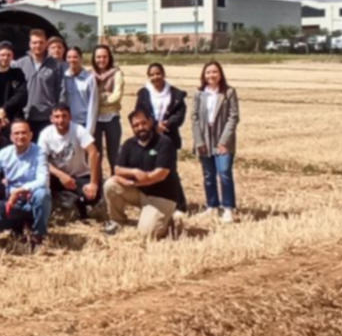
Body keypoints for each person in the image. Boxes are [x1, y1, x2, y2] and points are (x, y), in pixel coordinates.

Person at [103, 108, 181, 240]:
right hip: (139, 192)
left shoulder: (164, 143)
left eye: (143, 123)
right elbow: (117, 169)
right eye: (136, 125)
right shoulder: (129, 144)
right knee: (110, 185)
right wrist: (134, 172)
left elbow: (160, 174)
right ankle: (118, 221)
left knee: (146, 234)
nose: (140, 128)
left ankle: (171, 220)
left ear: (151, 122)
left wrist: (139, 180)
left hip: (162, 196)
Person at [135, 62, 188, 211]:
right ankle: (153, 201)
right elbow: (139, 113)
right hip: (150, 137)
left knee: (170, 170)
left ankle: (179, 204)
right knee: (150, 169)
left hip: (169, 137)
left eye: (158, 73)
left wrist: (167, 124)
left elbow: (180, 114)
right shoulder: (143, 93)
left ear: (163, 74)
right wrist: (153, 126)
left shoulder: (176, 93)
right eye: (152, 74)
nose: (155, 77)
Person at [192, 61, 240, 223]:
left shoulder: (229, 92)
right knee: (208, 175)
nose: (211, 75)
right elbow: (195, 118)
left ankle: (228, 207)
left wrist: (224, 141)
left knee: (224, 172)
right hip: (205, 137)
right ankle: (212, 205)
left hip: (222, 138)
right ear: (203, 76)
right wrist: (199, 140)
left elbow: (233, 117)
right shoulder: (199, 93)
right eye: (208, 72)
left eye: (214, 72)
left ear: (220, 74)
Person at [0, 119, 50, 248]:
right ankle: (19, 226)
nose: (20, 136)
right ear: (11, 136)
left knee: (43, 194)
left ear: (31, 135)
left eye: (24, 133)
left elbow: (43, 180)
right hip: (11, 201)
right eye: (16, 133)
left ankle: (38, 234)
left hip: (31, 198)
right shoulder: (4, 153)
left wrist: (21, 190)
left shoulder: (39, 153)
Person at [39, 104, 101, 221]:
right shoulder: (45, 134)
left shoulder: (79, 130)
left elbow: (94, 153)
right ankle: (59, 202)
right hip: (56, 177)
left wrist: (93, 183)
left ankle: (73, 202)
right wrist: (61, 175)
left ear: (70, 117)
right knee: (42, 185)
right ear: (51, 119)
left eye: (64, 116)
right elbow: (41, 160)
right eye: (57, 117)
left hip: (79, 176)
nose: (60, 120)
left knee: (93, 196)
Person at [14, 29, 63, 135]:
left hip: (47, 117)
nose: (38, 45)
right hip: (25, 116)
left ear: (46, 43)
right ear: (29, 44)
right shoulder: (20, 64)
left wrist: (58, 113)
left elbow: (60, 91)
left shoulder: (55, 65)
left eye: (41, 42)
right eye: (35, 42)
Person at [91, 44, 125, 175]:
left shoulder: (117, 73)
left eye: (104, 56)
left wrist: (98, 99)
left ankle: (115, 184)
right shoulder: (90, 74)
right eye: (98, 57)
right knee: (96, 154)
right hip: (95, 119)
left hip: (112, 118)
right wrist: (105, 96)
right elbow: (88, 97)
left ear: (109, 58)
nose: (101, 60)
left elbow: (116, 96)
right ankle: (97, 185)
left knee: (114, 153)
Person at [61, 46, 99, 140]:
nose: (72, 60)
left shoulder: (89, 79)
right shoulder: (64, 77)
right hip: (68, 123)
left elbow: (93, 105)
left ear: (81, 59)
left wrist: (89, 130)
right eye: (69, 57)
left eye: (75, 57)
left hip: (83, 123)